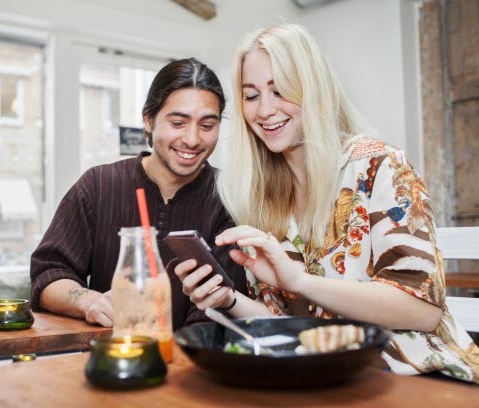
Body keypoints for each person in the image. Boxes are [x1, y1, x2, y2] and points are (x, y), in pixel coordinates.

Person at [175, 24, 479, 382]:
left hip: (419, 378)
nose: (265, 110)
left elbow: (422, 311)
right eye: (252, 95)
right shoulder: (261, 198)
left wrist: (301, 281)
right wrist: (227, 300)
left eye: (280, 89)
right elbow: (294, 330)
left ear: (313, 88)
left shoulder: (378, 166)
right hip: (327, 379)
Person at [31, 58, 246, 330]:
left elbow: (219, 310)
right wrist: (88, 301)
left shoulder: (228, 198)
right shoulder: (98, 185)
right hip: (112, 359)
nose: (192, 140)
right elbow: (47, 275)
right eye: (178, 123)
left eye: (206, 126)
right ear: (148, 120)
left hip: (193, 361)